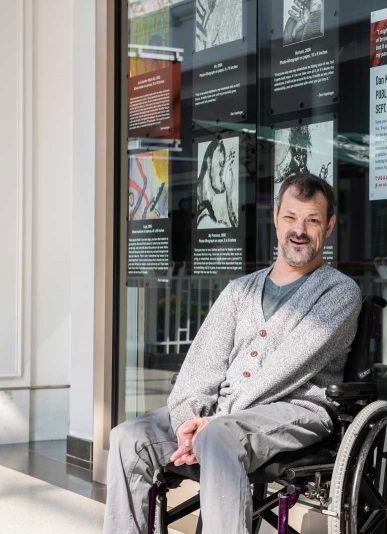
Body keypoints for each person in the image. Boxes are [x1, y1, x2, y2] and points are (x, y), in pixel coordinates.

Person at [103, 173, 362, 534]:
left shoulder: (339, 292)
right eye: (290, 217)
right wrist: (186, 422)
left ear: (329, 226)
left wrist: (216, 420)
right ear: (275, 218)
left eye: (312, 220)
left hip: (300, 408)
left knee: (218, 435)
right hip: (222, 416)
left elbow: (288, 368)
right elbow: (200, 364)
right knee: (129, 437)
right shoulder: (240, 290)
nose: (299, 229)